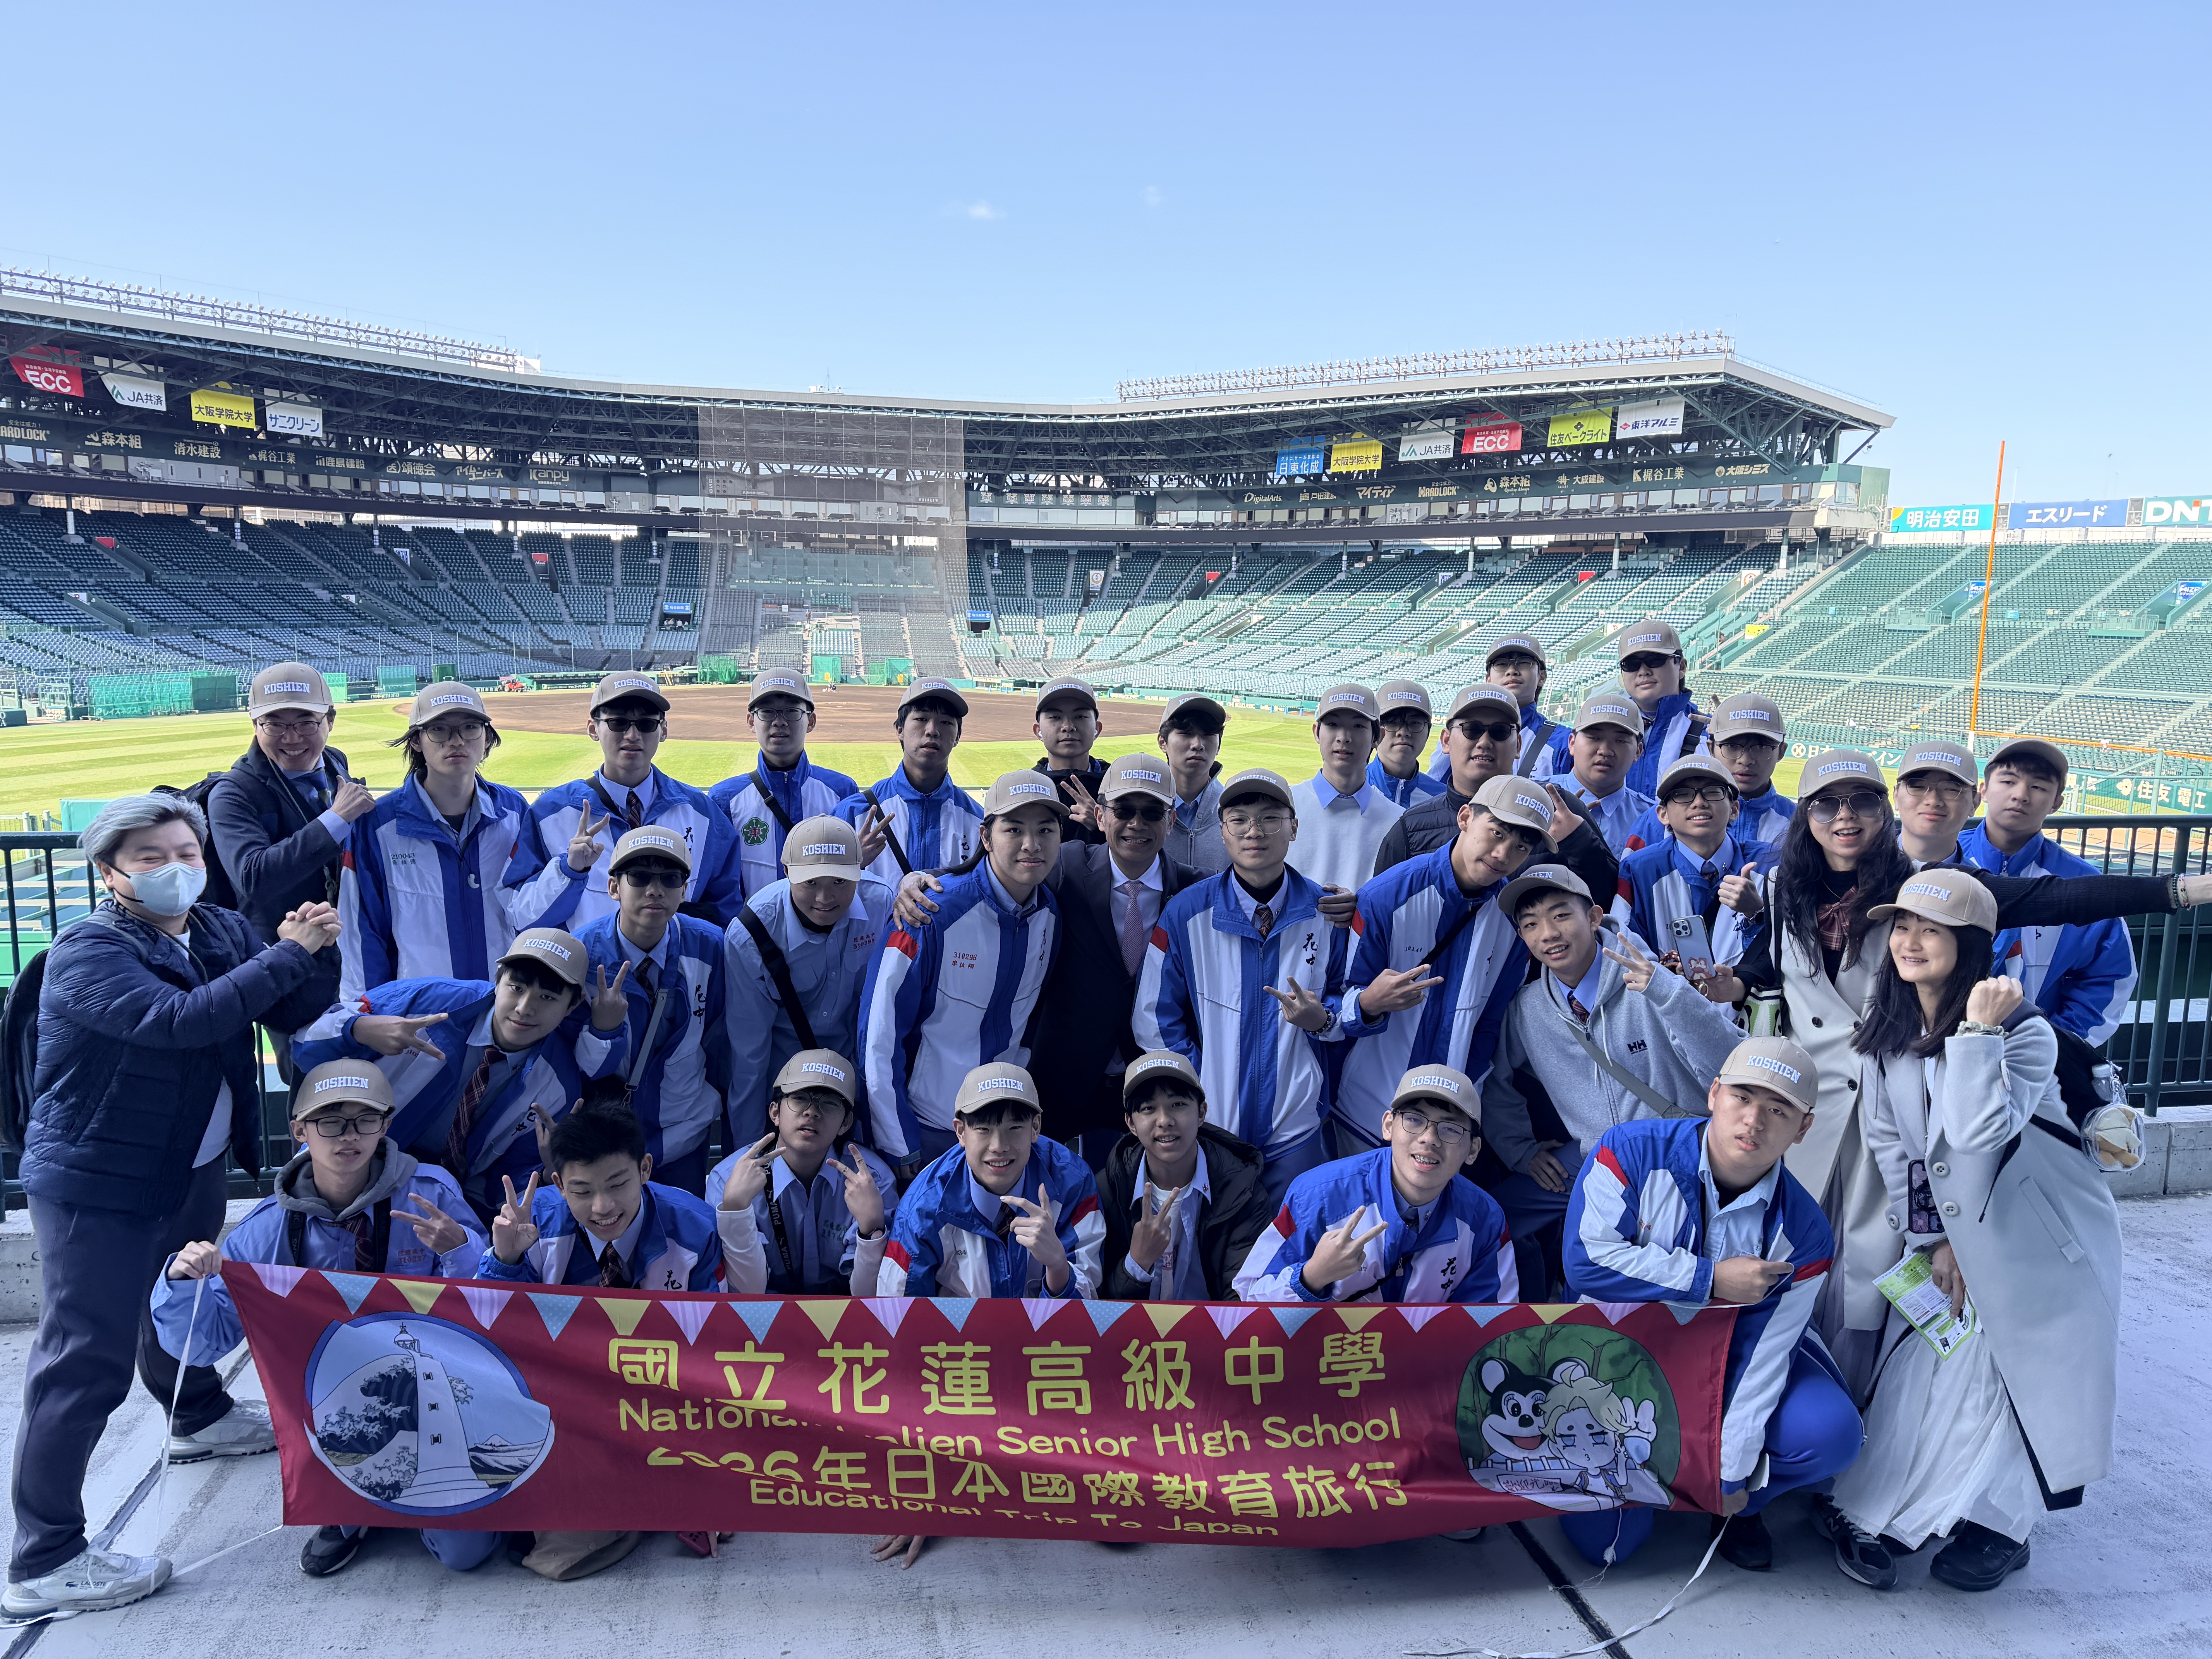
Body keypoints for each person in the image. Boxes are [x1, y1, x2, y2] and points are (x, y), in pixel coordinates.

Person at [1732, 749, 2206, 1398]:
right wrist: (1727, 982)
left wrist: (2184, 890)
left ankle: (1853, 1409)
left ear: (1883, 810)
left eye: (1862, 802)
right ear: (1805, 815)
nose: (1845, 817)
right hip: (1808, 1114)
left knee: (1869, 1276)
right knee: (1791, 1258)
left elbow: (2058, 899)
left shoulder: (1926, 885)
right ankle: (1778, 1399)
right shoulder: (1783, 887)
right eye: (1827, 804)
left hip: (1888, 1105)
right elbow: (1767, 966)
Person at [5, 795, 341, 1619]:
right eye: (149, 856)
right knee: (84, 1360)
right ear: (109, 872)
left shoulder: (218, 928)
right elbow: (182, 1020)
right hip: (100, 1181)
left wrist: (314, 943)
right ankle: (44, 1555)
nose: (174, 868)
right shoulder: (88, 951)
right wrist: (286, 954)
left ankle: (195, 1412)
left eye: (185, 851)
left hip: (189, 1163)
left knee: (180, 1299)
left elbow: (290, 1005)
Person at [1827, 875, 2121, 1593]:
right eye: (1902, 926)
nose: (1909, 942)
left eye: (1930, 929)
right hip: (1955, 1234)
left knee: (2014, 1384)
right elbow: (1894, 1145)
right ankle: (1901, 1506)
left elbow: (1979, 1130)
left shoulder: (2023, 1030)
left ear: (1971, 944)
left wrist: (1981, 1034)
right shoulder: (1888, 1027)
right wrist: (1933, 1238)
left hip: (2038, 1239)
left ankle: (2002, 1526)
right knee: (1936, 1374)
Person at [149, 1062, 494, 1580]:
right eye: (330, 1122)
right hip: (334, 1410)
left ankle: (420, 1506)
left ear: (386, 1125)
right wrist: (180, 1285)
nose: (349, 1136)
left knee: (464, 1555)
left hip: (435, 1393)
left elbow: (490, 1308)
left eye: (365, 1120)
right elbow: (203, 1346)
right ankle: (351, 1508)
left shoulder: (430, 1196)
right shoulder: (266, 1231)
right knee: (354, 1486)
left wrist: (461, 1250)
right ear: (300, 1131)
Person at [1563, 1037, 1862, 1574]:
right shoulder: (1628, 1151)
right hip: (1618, 1359)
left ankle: (1739, 1507)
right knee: (1608, 1548)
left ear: (1804, 1128)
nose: (1755, 1121)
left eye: (1778, 1110)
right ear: (1715, 1094)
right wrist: (1710, 1279)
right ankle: (1663, 1475)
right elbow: (1586, 1263)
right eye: (1743, 1097)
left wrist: (1730, 1474)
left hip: (1727, 1366)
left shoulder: (1805, 1232)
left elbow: (1765, 1358)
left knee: (1831, 1433)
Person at [891, 753, 1201, 1166]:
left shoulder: (1194, 892)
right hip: (1060, 1077)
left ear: (1172, 818)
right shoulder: (1066, 865)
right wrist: (915, 879)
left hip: (1149, 1082)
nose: (1136, 823)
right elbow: (994, 870)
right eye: (1124, 810)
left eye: (1152, 812)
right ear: (1101, 815)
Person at [870, 1061, 1104, 1570]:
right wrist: (916, 1484)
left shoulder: (1071, 1179)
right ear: (959, 1132)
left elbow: (1089, 1325)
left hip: (1049, 1365)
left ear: (1037, 1128)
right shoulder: (924, 1205)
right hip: (960, 1369)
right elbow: (897, 1335)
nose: (1000, 1146)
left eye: (1015, 1127)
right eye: (983, 1128)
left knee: (1114, 1522)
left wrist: (1057, 1267)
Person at [1479, 864, 1745, 1252]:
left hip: (1678, 1151)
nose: (1548, 934)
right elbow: (1495, 1080)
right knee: (1493, 1220)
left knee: (1663, 1251)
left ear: (1593, 918)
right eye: (1531, 924)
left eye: (1561, 915)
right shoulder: (1528, 1009)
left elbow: (1731, 1063)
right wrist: (1522, 1152)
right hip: (1597, 1159)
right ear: (1522, 936)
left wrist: (1672, 995)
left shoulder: (1653, 980)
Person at [1133, 767, 1349, 1209]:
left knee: (1293, 1244)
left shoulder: (1328, 914)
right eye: (1240, 820)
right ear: (1223, 831)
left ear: (1294, 828)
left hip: (1297, 1131)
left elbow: (1353, 1002)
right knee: (1210, 1247)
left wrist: (1324, 1020)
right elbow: (1153, 1016)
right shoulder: (1185, 913)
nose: (1255, 831)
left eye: (1270, 818)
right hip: (1211, 1132)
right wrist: (1196, 1083)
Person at [292, 927, 592, 1220]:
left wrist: (544, 1174)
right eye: (517, 988)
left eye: (547, 998)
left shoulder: (558, 1085)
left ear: (573, 1004)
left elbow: (506, 1183)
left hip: (451, 1200)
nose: (525, 1008)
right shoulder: (422, 1003)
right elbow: (304, 1047)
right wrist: (358, 1031)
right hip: (349, 1162)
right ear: (499, 978)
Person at [1334, 776, 1557, 1151]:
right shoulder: (1386, 896)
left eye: (1521, 846)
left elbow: (1491, 1022)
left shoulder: (1512, 922)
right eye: (1497, 833)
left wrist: (1462, 1097)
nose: (1503, 854)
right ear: (1465, 817)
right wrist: (1369, 1004)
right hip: (1367, 1114)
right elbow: (1337, 1002)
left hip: (1448, 1128)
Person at [859, 773, 1065, 1170]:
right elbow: (879, 1035)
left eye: (1045, 830)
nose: (1031, 844)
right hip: (928, 1130)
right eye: (1014, 829)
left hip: (1004, 1131)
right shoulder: (928, 912)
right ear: (986, 837)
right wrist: (900, 1145)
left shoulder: (1050, 913)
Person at [1233, 1065, 1517, 1304]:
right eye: (1414, 1120)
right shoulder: (1316, 1196)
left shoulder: (1485, 1219)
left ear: (1473, 1150)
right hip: (1333, 1352)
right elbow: (1249, 1297)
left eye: (1451, 1129)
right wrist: (1312, 1276)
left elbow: (1493, 1323)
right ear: (1388, 1126)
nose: (1429, 1139)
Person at [207, 662, 374, 1059]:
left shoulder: (335, 761)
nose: (292, 737)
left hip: (354, 955)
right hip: (290, 970)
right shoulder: (232, 793)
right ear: (255, 725)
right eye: (275, 724)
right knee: (310, 1076)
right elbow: (253, 877)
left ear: (330, 721)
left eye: (306, 722)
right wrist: (336, 819)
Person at [502, 672, 741, 933]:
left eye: (647, 724)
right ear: (593, 729)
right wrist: (568, 871)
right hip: (583, 960)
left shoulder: (703, 814)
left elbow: (726, 914)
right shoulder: (548, 813)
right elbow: (520, 916)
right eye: (618, 723)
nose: (632, 735)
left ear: (663, 730)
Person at [339, 681, 529, 1003]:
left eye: (470, 728)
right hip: (420, 1014)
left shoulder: (514, 811)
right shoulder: (377, 825)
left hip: (503, 1008)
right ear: (416, 741)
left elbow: (532, 911)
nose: (457, 741)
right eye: (439, 729)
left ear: (487, 738)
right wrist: (366, 1013)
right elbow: (361, 932)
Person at [571, 827, 731, 1196]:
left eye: (670, 879)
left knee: (681, 1225)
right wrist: (604, 1033)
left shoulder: (711, 946)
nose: (655, 890)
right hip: (606, 1139)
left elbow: (722, 1040)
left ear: (684, 890)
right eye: (640, 877)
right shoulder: (581, 955)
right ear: (614, 888)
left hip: (683, 1131)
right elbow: (572, 1064)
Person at [722, 816, 895, 1147]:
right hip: (784, 1088)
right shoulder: (751, 933)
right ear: (787, 872)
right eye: (811, 882)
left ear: (860, 872)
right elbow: (749, 1053)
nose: (825, 897)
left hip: (856, 1080)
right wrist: (749, 1150)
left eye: (840, 881)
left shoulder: (882, 905)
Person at [1371, 684, 1614, 905]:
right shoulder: (1411, 827)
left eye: (1500, 731)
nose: (1485, 742)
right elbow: (1382, 909)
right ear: (1446, 741)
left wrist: (1579, 842)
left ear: (1518, 745)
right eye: (1472, 729)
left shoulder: (1560, 809)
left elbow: (1611, 900)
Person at [1962, 738, 2136, 1044]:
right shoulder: (1946, 859)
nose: (2021, 795)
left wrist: (2054, 1044)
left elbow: (2110, 977)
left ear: (2057, 802)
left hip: (2035, 1058)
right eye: (2008, 781)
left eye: (2039, 787)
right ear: (1984, 790)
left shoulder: (2082, 882)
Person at [479, 1095, 725, 1291]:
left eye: (617, 1185)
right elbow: (493, 1324)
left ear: (645, 1169)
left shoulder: (698, 1229)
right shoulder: (533, 1222)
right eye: (582, 1191)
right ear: (560, 1186)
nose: (602, 1207)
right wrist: (506, 1261)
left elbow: (712, 1326)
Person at [711, 1051, 898, 1295]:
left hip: (846, 1313)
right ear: (775, 1113)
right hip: (763, 1312)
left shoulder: (874, 1181)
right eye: (800, 1099)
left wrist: (871, 1229)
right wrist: (736, 1210)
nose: (812, 1112)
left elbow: (871, 1297)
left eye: (830, 1103)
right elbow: (748, 1293)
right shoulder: (727, 1178)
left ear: (846, 1123)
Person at [1098, 1050, 1269, 1301]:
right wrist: (1137, 1262)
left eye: (1178, 1105)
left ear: (1201, 1113)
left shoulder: (1243, 1191)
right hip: (1133, 1328)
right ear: (1131, 1123)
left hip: (1215, 1325)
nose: (1164, 1121)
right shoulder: (1108, 1189)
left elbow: (1242, 1299)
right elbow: (1095, 1303)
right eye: (1148, 1108)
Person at [1611, 753, 1770, 991]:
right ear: (1663, 814)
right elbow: (1626, 947)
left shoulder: (1770, 864)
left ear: (1734, 809)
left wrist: (1757, 913)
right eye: (1682, 795)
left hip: (1745, 1009)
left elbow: (1792, 953)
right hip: (1669, 1009)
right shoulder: (1640, 869)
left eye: (1713, 792)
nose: (1699, 803)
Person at [707, 670, 860, 900]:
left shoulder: (843, 792)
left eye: (792, 711)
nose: (779, 721)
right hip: (752, 924)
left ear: (811, 721)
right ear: (752, 721)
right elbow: (717, 887)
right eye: (767, 712)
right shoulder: (724, 799)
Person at [832, 678, 982, 887]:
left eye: (946, 722)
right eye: (921, 719)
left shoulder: (980, 823)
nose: (932, 730)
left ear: (957, 736)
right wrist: (848, 865)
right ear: (900, 730)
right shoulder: (852, 814)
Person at [1287, 684, 1403, 924]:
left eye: (1358, 726)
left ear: (1378, 737)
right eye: (1333, 725)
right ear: (1317, 732)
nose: (1344, 737)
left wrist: (1362, 910)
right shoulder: (1285, 806)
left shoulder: (1398, 821)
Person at [1613, 618, 1707, 797]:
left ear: (1681, 667)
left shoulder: (1710, 735)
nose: (1643, 671)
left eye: (1655, 660)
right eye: (1632, 664)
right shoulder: (1603, 728)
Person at [1559, 692, 1656, 857]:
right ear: (1572, 744)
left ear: (1638, 752)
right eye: (1594, 738)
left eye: (1620, 741)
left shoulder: (1651, 821)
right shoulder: (1534, 797)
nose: (1605, 751)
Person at [1156, 692, 1229, 876]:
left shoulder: (1235, 810)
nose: (1198, 745)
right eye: (1186, 734)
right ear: (1163, 743)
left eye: (1208, 734)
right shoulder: (1140, 809)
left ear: (1219, 746)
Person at [1032, 676, 1110, 846]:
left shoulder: (1118, 784)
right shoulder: (1027, 787)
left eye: (1080, 716)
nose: (1068, 727)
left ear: (1097, 729)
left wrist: (1102, 827)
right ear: (1038, 731)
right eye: (1055, 717)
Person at [1369, 680, 1446, 807]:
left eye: (1415, 723)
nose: (1403, 732)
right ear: (1376, 731)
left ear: (1428, 731)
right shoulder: (1349, 790)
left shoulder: (1443, 800)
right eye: (1392, 722)